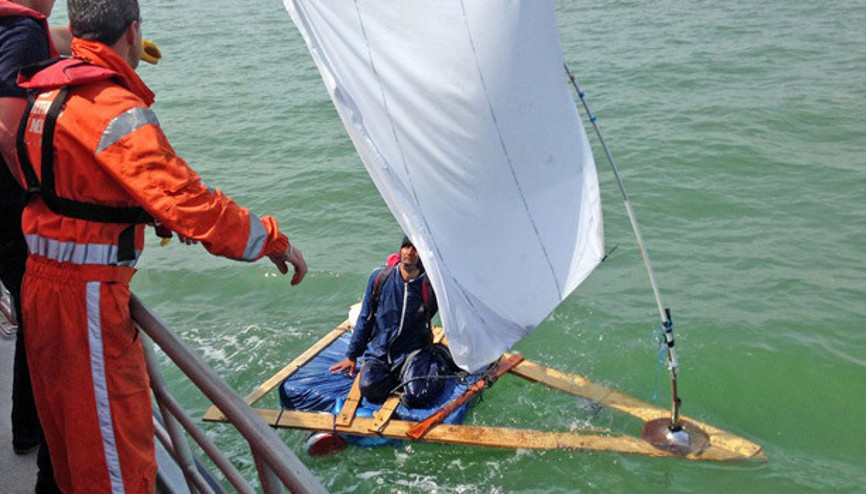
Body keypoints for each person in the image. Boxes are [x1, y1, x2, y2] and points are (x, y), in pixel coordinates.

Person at [13, 0, 308, 491]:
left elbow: (72, 186)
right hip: (85, 301)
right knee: (114, 468)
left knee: (70, 450)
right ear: (133, 32)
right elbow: (190, 204)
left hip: (40, 286)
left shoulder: (49, 94)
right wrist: (273, 240)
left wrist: (139, 207)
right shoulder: (113, 108)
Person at [0, 1, 63, 491]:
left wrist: (81, 43)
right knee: (34, 307)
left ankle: (27, 427)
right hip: (6, 205)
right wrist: (39, 190)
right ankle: (30, 430)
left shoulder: (17, 26)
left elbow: (40, 39)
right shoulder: (21, 29)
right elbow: (5, 128)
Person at [330, 235, 453, 408]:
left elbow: (455, 309)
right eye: (406, 247)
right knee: (370, 388)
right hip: (380, 353)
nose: (409, 252)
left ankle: (440, 358)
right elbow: (365, 317)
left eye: (415, 249)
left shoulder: (431, 286)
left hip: (412, 352)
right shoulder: (380, 278)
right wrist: (352, 355)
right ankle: (403, 377)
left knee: (417, 396)